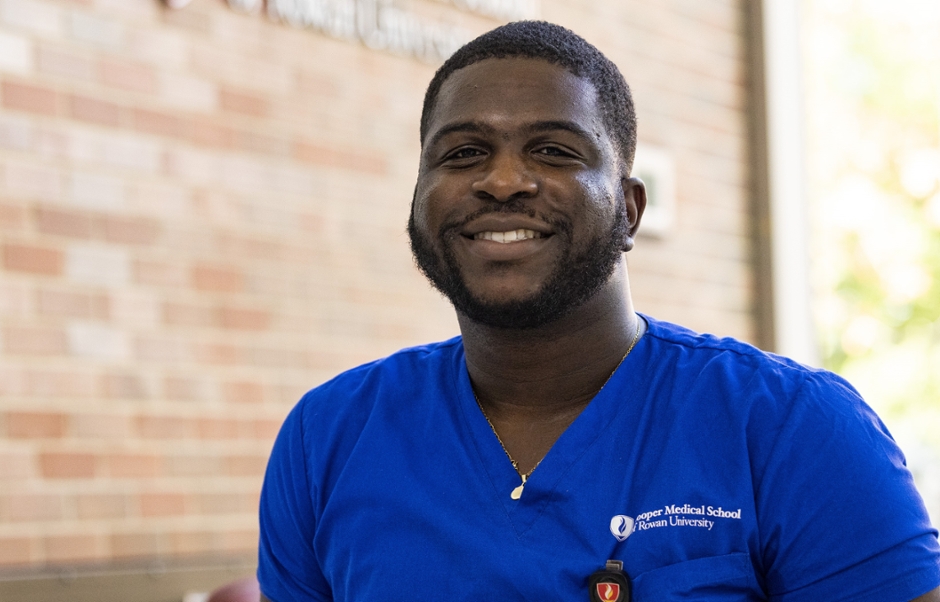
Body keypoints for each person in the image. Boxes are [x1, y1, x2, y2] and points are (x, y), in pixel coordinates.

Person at [257, 21, 940, 601]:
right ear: (418, 202)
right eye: (463, 153)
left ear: (630, 207)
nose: (501, 181)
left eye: (553, 150)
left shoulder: (791, 427)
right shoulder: (329, 437)